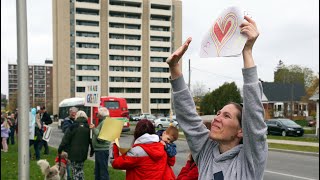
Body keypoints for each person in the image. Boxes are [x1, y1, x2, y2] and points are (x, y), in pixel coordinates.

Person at [166, 16, 267, 179]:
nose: (217, 118)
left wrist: (247, 51)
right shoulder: (205, 151)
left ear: (241, 131)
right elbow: (188, 117)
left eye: (226, 116)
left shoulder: (250, 162)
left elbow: (254, 116)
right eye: (218, 113)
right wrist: (174, 68)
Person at [58, 110, 92, 180]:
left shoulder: (72, 127)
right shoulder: (88, 127)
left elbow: (65, 140)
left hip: (73, 153)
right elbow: (91, 140)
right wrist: (92, 150)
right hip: (83, 153)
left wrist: (60, 149)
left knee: (75, 171)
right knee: (80, 169)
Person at [89, 107, 111, 180]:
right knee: (98, 171)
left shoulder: (105, 122)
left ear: (101, 114)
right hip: (100, 149)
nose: (96, 114)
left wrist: (94, 129)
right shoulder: (104, 121)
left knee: (102, 171)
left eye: (98, 113)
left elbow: (102, 138)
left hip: (102, 150)